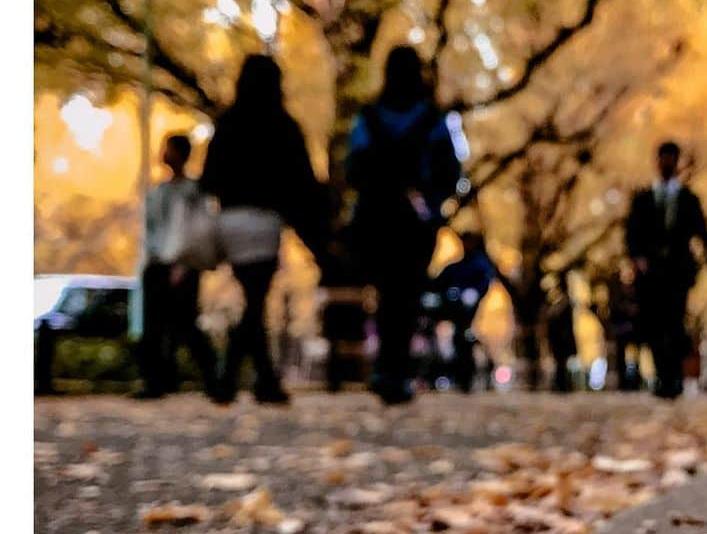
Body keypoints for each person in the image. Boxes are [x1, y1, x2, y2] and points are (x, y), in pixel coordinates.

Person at [201, 54, 326, 404]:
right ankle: (242, 379)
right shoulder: (283, 125)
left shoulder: (227, 123)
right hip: (264, 224)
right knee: (255, 302)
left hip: (230, 223)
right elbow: (303, 181)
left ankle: (253, 379)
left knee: (253, 300)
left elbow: (208, 178)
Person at [345, 46, 463, 404]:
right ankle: (396, 370)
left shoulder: (369, 116)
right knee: (406, 295)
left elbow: (353, 168)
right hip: (416, 221)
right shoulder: (432, 118)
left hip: (377, 218)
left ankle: (386, 368)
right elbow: (450, 172)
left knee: (386, 294)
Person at [626, 141, 707, 399]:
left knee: (674, 324)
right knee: (654, 326)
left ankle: (673, 378)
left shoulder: (689, 200)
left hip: (677, 274)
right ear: (657, 160)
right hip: (649, 276)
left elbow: (705, 237)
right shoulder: (642, 199)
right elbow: (631, 236)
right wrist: (637, 259)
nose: (667, 163)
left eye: (671, 158)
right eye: (663, 158)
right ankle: (662, 376)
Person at [137, 134, 219, 400]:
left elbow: (195, 232)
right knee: (154, 326)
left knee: (185, 324)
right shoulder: (159, 192)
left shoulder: (193, 192)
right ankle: (156, 382)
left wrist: (184, 263)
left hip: (183, 263)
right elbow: (152, 231)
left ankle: (212, 378)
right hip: (157, 263)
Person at [432, 231, 502, 392]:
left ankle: (469, 376)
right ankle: (458, 375)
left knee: (466, 340)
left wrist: (474, 293)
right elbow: (440, 282)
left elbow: (485, 281)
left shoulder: (480, 264)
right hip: (456, 310)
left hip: (473, 313)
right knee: (457, 340)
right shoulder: (456, 266)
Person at [544, 275, 577, 392]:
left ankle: (562, 386)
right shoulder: (555, 304)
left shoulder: (565, 303)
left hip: (562, 340)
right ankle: (561, 385)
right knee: (559, 364)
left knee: (562, 364)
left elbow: (563, 324)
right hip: (556, 340)